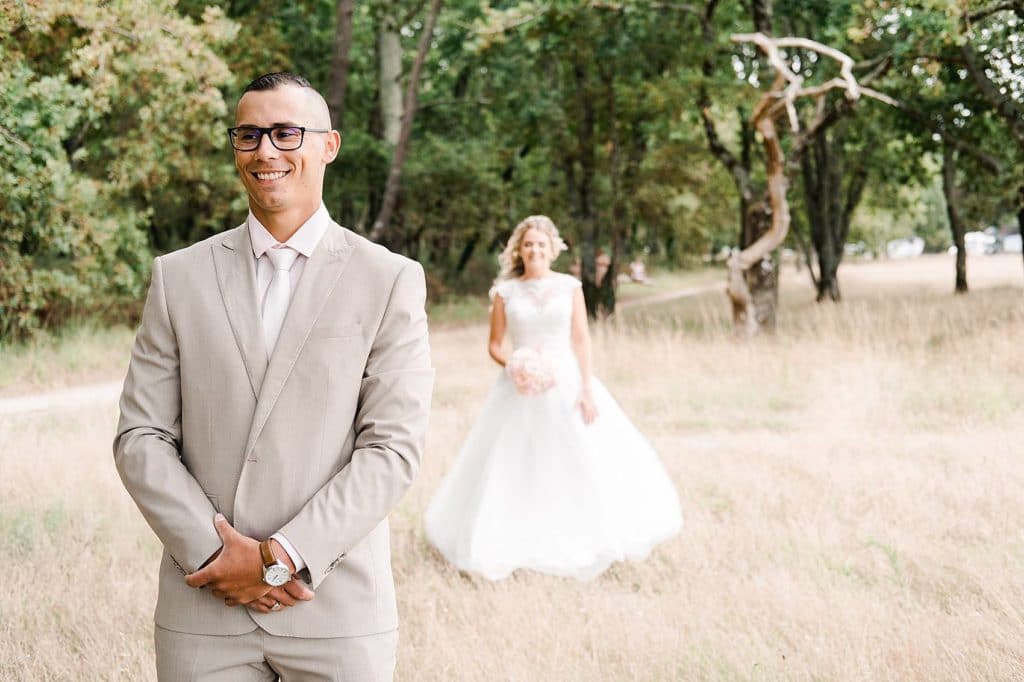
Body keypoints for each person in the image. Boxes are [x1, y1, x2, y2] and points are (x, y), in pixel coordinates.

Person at [113, 72, 433, 681]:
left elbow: (392, 448)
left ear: (328, 145)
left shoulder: (388, 278)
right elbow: (140, 438)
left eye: (287, 132)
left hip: (335, 607)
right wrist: (220, 555)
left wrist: (281, 559)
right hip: (205, 605)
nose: (266, 150)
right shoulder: (178, 277)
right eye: (249, 134)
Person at [424, 215, 681, 581]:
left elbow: (581, 339)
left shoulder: (569, 287)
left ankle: (585, 533)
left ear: (553, 249)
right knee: (514, 461)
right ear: (519, 249)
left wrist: (587, 388)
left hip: (567, 384)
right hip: (518, 387)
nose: (534, 249)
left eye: (541, 244)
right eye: (528, 244)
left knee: (581, 458)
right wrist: (515, 363)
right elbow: (495, 345)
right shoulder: (504, 293)